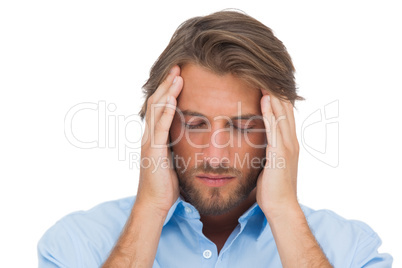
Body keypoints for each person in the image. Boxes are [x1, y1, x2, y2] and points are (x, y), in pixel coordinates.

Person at [38, 10, 393, 267]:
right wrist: (150, 209)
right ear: (160, 126)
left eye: (241, 127)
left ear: (277, 131)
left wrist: (284, 212)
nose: (216, 154)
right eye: (194, 124)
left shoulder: (351, 251)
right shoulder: (76, 244)